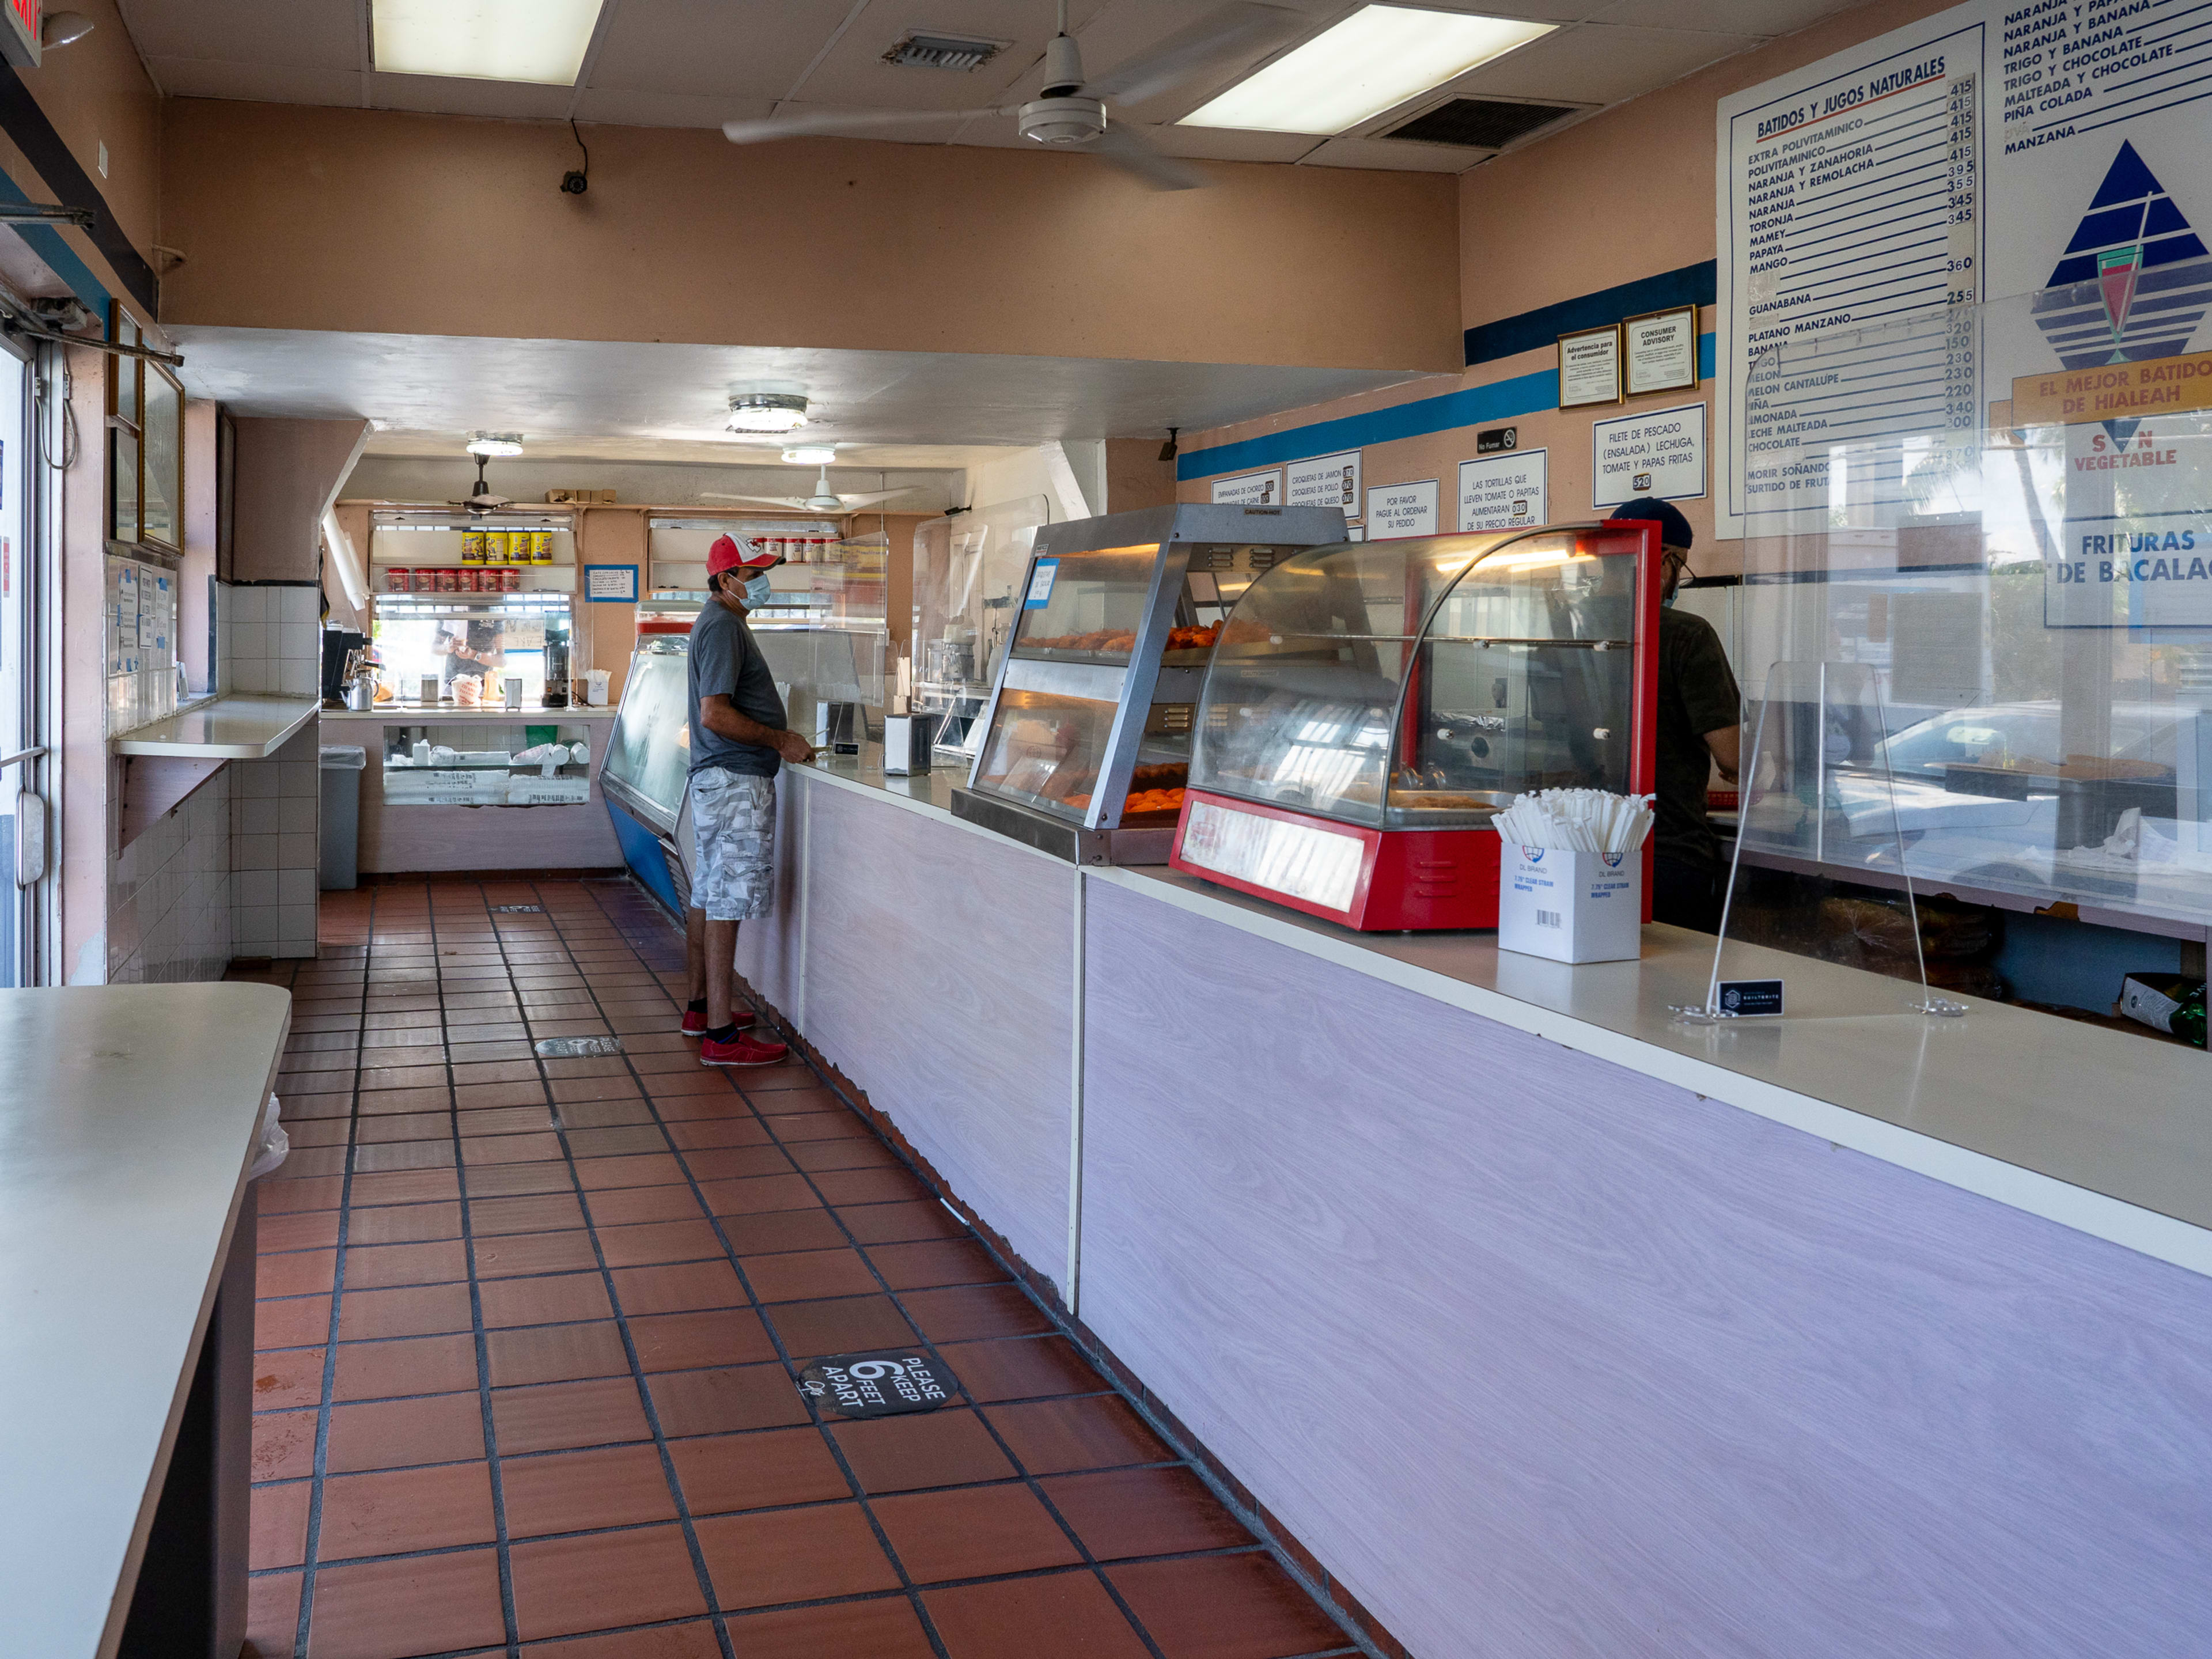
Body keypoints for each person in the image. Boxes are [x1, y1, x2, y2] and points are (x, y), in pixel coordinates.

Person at [681, 533, 816, 1066]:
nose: (761, 582)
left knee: (710, 894)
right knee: (726, 900)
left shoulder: (723, 623)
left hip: (721, 779)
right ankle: (720, 1035)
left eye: (762, 572)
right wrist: (782, 740)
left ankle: (701, 1009)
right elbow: (715, 713)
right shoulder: (722, 627)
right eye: (753, 573)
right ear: (725, 580)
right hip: (734, 779)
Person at [1608, 498, 1741, 933]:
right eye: (1681, 566)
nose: (1677, 580)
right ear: (1664, 559)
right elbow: (1735, 757)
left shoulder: (1574, 630)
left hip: (1586, 847)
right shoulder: (1688, 635)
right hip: (1665, 855)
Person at [438, 617, 503, 690]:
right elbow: (434, 647)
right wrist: (447, 648)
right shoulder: (452, 612)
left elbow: (502, 661)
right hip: (453, 683)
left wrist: (474, 655)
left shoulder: (492, 614)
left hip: (482, 685)